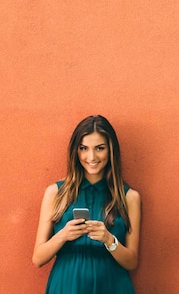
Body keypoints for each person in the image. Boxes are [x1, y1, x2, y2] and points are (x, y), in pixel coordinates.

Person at [33, 115, 141, 293]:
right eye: (84, 148)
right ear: (76, 151)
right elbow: (38, 258)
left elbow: (131, 262)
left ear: (111, 150)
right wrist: (63, 235)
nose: (91, 156)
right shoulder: (55, 192)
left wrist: (109, 239)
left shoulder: (129, 197)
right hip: (66, 285)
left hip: (112, 285)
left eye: (100, 148)